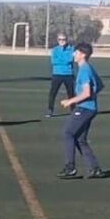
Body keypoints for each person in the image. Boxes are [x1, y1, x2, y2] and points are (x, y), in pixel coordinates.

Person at [57, 42, 104, 178]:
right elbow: (99, 85)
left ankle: (70, 167)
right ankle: (94, 168)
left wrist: (70, 101)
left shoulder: (84, 70)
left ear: (83, 55)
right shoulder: (88, 68)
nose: (74, 55)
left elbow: (87, 93)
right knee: (80, 139)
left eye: (76, 52)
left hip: (84, 109)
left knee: (67, 132)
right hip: (89, 108)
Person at [45, 32, 76, 118]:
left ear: (66, 40)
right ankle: (50, 110)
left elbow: (70, 59)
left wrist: (61, 60)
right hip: (57, 74)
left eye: (63, 39)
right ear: (57, 40)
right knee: (53, 93)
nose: (62, 41)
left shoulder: (72, 49)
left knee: (71, 93)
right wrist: (64, 60)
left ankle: (73, 110)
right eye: (60, 39)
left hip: (68, 74)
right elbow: (54, 61)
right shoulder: (55, 50)